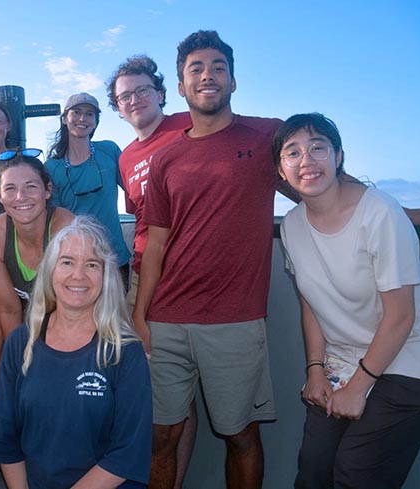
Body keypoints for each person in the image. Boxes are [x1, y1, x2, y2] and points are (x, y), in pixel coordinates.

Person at [133, 31, 292, 488]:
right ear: (181, 88)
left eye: (218, 67)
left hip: (236, 320)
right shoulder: (165, 160)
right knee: (161, 434)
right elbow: (157, 243)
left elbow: (314, 188)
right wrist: (141, 315)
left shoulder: (267, 136)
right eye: (196, 69)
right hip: (166, 320)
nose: (208, 75)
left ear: (233, 81)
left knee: (240, 435)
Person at [274, 113, 420, 489]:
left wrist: (359, 387)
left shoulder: (379, 211)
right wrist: (314, 369)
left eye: (318, 148)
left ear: (339, 156)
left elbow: (401, 315)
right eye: (292, 153)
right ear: (281, 171)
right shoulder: (293, 226)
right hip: (344, 357)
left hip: (411, 351)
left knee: (356, 471)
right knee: (313, 471)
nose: (307, 161)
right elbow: (311, 303)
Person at [0, 216, 152, 488]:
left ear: (106, 276)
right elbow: (6, 440)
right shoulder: (20, 343)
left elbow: (127, 453)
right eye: (67, 262)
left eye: (92, 264)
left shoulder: (125, 351)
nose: (79, 275)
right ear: (50, 271)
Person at [106, 55, 196, 489]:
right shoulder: (126, 159)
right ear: (118, 108)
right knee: (165, 390)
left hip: (198, 272)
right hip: (147, 276)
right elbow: (139, 217)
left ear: (161, 93)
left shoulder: (188, 125)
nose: (135, 99)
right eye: (125, 96)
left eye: (143, 90)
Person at [0, 150, 73, 388]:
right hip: (30, 336)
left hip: (75, 330)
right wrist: (25, 364)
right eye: (10, 188)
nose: (20, 197)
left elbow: (75, 308)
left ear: (47, 190)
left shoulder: (67, 229)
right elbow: (9, 311)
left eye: (31, 186)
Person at [45, 92, 131, 287]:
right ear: (65, 118)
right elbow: (54, 221)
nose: (82, 118)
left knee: (115, 317)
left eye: (89, 114)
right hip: (79, 264)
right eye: (76, 112)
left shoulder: (109, 150)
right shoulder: (52, 167)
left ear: (95, 121)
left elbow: (134, 191)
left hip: (115, 259)